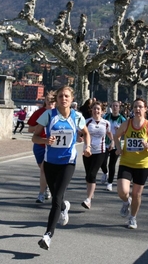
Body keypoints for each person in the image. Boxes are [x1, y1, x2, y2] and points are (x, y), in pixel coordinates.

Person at [32, 86, 91, 250]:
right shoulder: (48, 115)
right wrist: (45, 141)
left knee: (56, 197)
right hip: (50, 162)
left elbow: (86, 133)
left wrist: (87, 147)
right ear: (56, 99)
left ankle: (47, 235)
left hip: (68, 161)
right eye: (60, 96)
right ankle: (65, 207)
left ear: (71, 99)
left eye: (66, 96)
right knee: (57, 197)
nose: (63, 99)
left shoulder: (77, 116)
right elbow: (34, 137)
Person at [114, 98, 148, 229]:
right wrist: (118, 148)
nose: (137, 109)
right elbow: (116, 136)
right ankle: (125, 201)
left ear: (145, 109)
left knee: (136, 194)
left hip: (142, 164)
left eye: (140, 107)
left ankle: (133, 218)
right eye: (135, 107)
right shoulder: (127, 123)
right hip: (126, 162)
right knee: (122, 191)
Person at [81, 101, 114, 209]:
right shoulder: (87, 122)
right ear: (91, 110)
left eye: (98, 109)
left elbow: (109, 133)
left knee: (92, 174)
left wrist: (112, 142)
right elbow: (80, 132)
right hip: (87, 151)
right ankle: (90, 192)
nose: (96, 111)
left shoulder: (106, 123)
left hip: (100, 151)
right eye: (94, 109)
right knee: (88, 175)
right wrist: (78, 138)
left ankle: (88, 199)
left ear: (102, 111)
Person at [27, 91, 56, 203]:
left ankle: (41, 194)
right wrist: (40, 126)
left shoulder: (58, 114)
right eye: (48, 101)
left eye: (52, 102)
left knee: (44, 170)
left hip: (52, 146)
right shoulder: (39, 113)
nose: (50, 104)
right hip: (39, 145)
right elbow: (30, 129)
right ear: (45, 101)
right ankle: (47, 187)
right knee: (44, 170)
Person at [100, 100, 127, 191]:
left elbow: (126, 132)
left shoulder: (123, 120)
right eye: (113, 106)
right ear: (111, 107)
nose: (115, 107)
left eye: (117, 106)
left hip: (116, 145)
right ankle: (105, 173)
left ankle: (110, 183)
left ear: (119, 108)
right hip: (105, 143)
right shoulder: (106, 117)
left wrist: (121, 130)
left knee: (112, 164)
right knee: (102, 162)